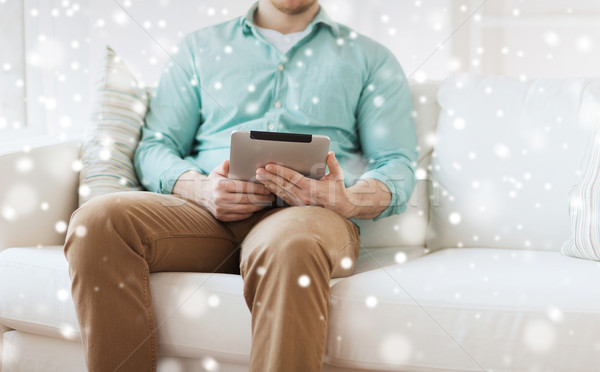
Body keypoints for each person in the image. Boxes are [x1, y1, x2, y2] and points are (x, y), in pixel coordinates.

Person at [64, 0, 417, 371]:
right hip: (204, 216)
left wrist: (347, 201)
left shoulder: (371, 58)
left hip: (308, 219)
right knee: (97, 221)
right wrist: (199, 189)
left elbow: (397, 163)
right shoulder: (198, 48)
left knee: (290, 244)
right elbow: (156, 146)